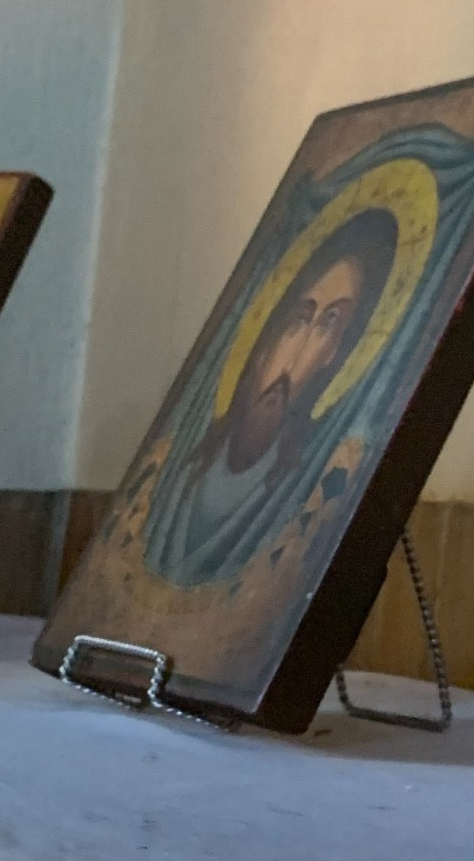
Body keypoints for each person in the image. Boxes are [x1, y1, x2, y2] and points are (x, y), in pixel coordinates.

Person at [144, 209, 395, 588]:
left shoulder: (308, 483)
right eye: (300, 318)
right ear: (269, 333)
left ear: (334, 354)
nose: (296, 353)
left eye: (328, 324)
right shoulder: (188, 461)